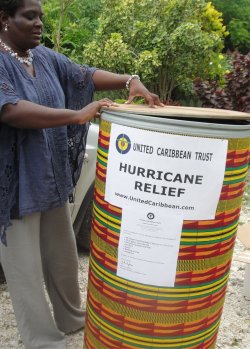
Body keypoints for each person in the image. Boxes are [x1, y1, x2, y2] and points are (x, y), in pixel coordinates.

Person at [0, 0, 163, 348]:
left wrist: (130, 80)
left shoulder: (42, 57)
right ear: (4, 19)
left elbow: (83, 75)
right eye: (30, 16)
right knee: (24, 269)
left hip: (50, 177)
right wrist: (75, 116)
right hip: (12, 184)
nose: (39, 23)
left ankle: (72, 318)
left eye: (41, 16)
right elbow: (11, 110)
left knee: (62, 255)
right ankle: (42, 339)